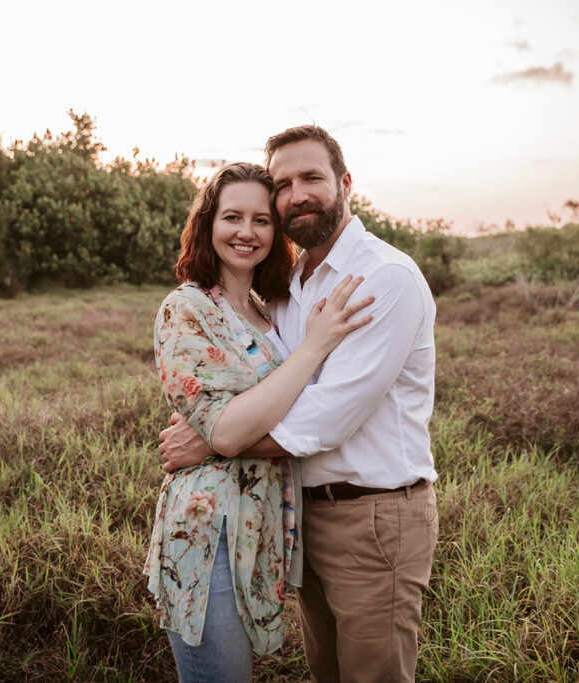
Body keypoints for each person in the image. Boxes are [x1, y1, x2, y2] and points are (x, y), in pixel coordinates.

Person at [159, 126, 439, 683]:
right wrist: (219, 428)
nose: (297, 194)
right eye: (282, 185)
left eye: (311, 177)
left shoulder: (382, 278)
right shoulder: (288, 287)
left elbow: (325, 416)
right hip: (298, 517)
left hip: (374, 515)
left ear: (345, 183)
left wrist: (217, 442)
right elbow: (266, 388)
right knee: (327, 673)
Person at [143, 161, 374, 683]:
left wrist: (212, 441)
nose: (246, 232)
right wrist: (315, 347)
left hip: (262, 522)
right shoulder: (186, 308)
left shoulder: (268, 311)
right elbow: (225, 427)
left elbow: (287, 407)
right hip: (210, 529)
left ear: (276, 230)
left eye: (261, 220)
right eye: (231, 217)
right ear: (208, 224)